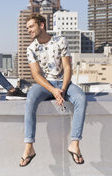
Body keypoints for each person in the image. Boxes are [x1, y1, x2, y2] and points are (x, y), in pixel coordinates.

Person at [19, 13, 87, 167]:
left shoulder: (60, 41)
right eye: (27, 28)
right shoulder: (31, 48)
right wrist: (53, 90)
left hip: (64, 83)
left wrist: (62, 89)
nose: (28, 30)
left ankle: (74, 143)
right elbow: (36, 75)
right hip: (45, 84)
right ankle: (29, 147)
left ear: (41, 25)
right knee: (30, 98)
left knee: (81, 98)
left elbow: (68, 66)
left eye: (31, 26)